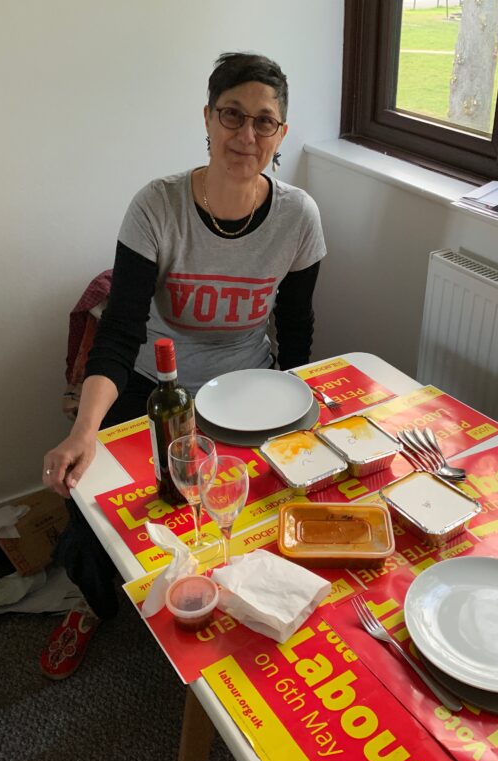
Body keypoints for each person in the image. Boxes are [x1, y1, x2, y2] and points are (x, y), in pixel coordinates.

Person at [38, 52, 326, 679]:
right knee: (96, 506)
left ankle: (247, 595)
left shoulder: (299, 216)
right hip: (155, 383)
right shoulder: (157, 206)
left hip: (251, 386)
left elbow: (298, 328)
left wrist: (301, 402)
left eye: (264, 122)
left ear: (281, 134)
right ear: (207, 117)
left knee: (269, 499)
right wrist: (84, 430)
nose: (246, 135)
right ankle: (90, 603)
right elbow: (118, 332)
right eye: (232, 115)